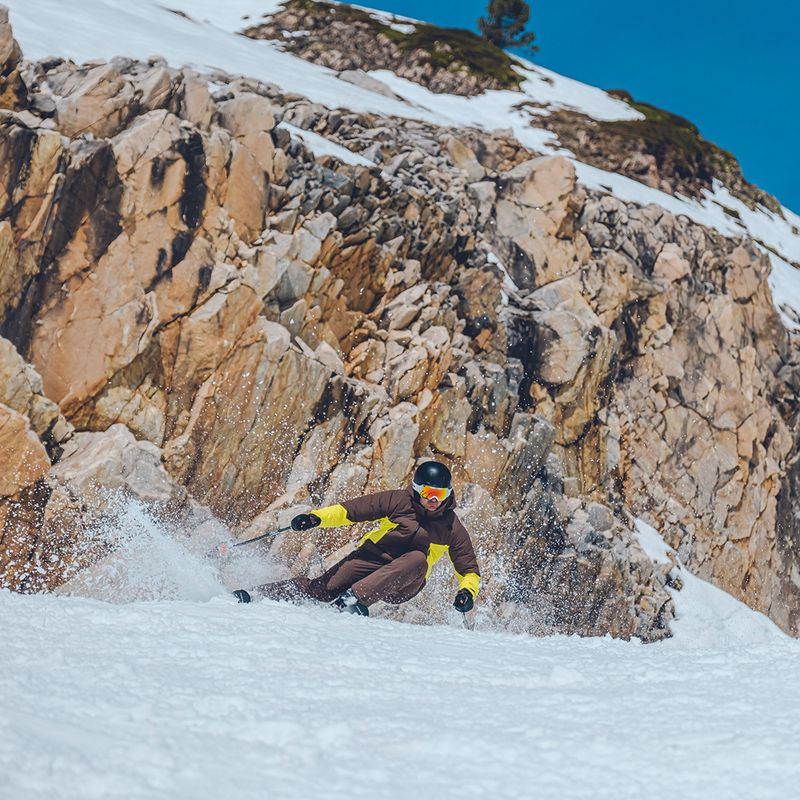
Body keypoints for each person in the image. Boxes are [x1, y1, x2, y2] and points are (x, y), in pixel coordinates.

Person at [234, 461, 480, 617]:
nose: (434, 500)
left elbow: (469, 570)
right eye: (428, 493)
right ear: (417, 489)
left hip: (403, 582)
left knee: (418, 558)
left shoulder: (451, 527)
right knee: (321, 589)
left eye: (440, 494)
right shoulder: (398, 501)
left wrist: (466, 593)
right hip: (371, 560)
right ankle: (254, 595)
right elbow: (351, 511)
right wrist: (314, 518)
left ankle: (352, 601)